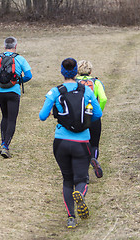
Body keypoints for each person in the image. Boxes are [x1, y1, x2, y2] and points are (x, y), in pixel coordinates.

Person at [39, 58, 102, 229]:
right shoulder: (86, 91)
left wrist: (56, 112)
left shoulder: (55, 91)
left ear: (61, 72)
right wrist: (85, 122)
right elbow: (98, 113)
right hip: (82, 142)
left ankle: (71, 217)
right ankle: (79, 193)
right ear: (76, 72)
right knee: (81, 178)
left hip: (61, 142)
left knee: (67, 179)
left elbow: (42, 116)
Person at [0, 36, 32, 158]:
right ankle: (5, 146)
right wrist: (18, 81)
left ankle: (3, 142)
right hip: (14, 92)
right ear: (15, 46)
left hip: (1, 91)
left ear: (4, 46)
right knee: (12, 119)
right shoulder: (20, 59)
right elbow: (29, 75)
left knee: (4, 116)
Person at [76, 60, 107, 179]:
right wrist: (99, 112)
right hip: (93, 116)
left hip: (79, 117)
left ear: (77, 71)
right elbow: (103, 98)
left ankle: (84, 173)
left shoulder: (74, 82)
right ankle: (93, 159)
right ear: (90, 71)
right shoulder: (96, 82)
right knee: (94, 143)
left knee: (82, 144)